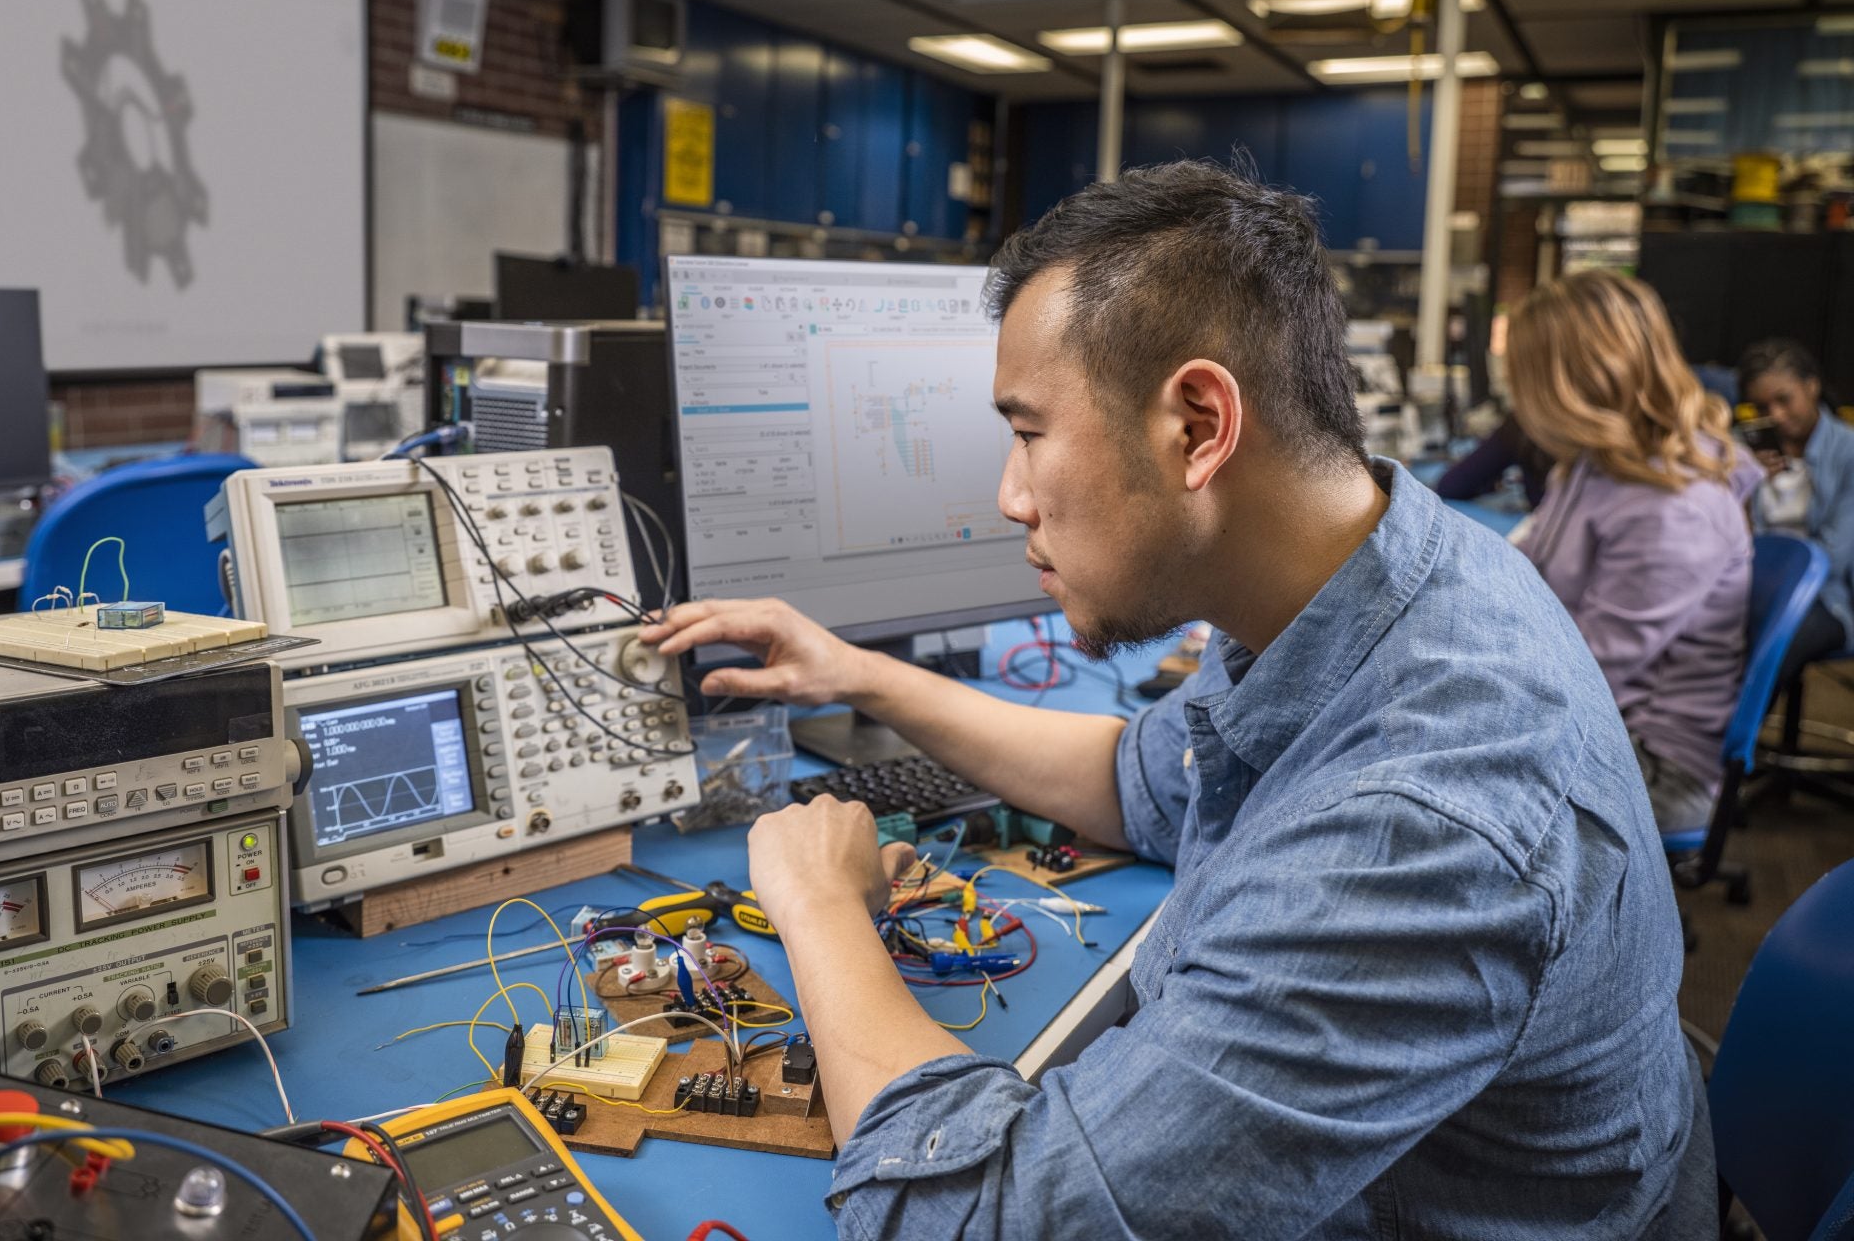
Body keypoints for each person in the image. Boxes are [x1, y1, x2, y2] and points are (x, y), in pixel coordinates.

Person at [642, 163, 1712, 1239]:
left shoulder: (1418, 820)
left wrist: (821, 908)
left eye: (1027, 432)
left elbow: (982, 1218)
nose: (1010, 495)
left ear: (1198, 424)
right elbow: (1136, 780)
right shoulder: (1379, 574)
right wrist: (861, 674)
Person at [1503, 271, 1760, 836]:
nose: (1515, 399)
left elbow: (1588, 675)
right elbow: (1523, 566)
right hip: (1599, 716)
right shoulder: (1592, 467)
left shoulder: (1676, 508)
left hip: (1651, 760)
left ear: (1570, 384)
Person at [1736, 338, 1853, 725]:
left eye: (1785, 400)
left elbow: (1832, 558)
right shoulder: (1743, 453)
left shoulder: (1848, 453)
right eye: (1763, 407)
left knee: (1775, 636)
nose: (1777, 416)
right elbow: (1725, 540)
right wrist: (1743, 485)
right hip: (1746, 588)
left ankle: (1731, 748)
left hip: (1824, 598)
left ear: (1812, 386)